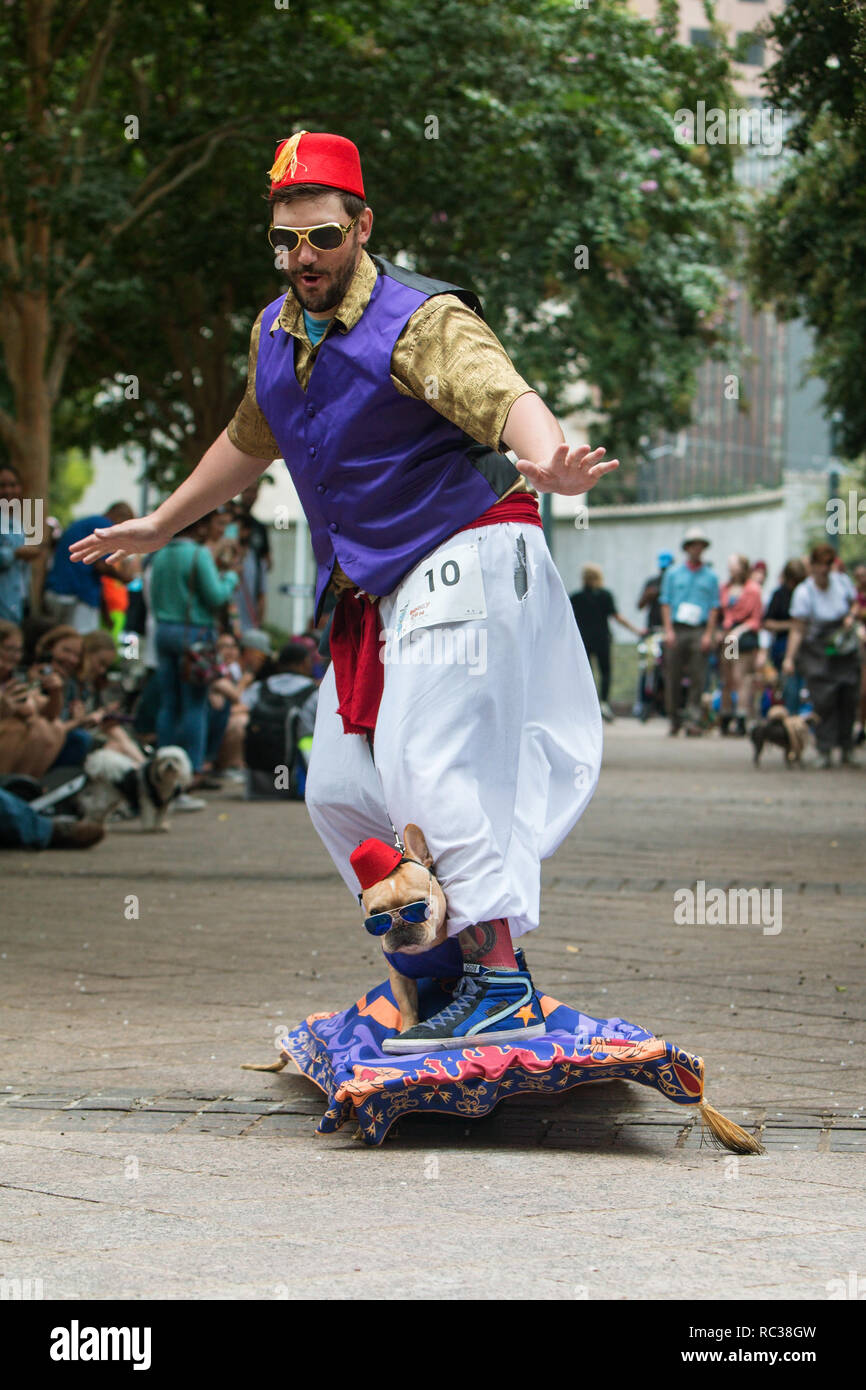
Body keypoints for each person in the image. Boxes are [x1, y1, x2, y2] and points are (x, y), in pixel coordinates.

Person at [69, 128, 619, 1050]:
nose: (301, 258)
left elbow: (503, 393)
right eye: (284, 241)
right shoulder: (275, 331)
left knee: (430, 766)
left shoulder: (419, 317)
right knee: (338, 786)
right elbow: (253, 437)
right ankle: (432, 962)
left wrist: (547, 455)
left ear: (362, 225)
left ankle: (498, 979)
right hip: (373, 585)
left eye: (321, 237)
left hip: (466, 546)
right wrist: (161, 523)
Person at [149, 517, 239, 787]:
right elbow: (216, 596)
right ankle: (192, 772)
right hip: (195, 636)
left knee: (168, 704)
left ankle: (162, 771)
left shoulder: (159, 555)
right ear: (200, 527)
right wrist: (231, 577)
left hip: (163, 632)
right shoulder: (198, 554)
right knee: (194, 705)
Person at [783, 543, 861, 767]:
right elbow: (797, 628)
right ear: (813, 566)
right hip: (817, 651)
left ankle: (846, 749)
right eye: (821, 564)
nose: (825, 569)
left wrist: (850, 616)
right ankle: (824, 750)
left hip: (844, 648)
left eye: (829, 564)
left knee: (848, 697)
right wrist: (789, 658)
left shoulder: (842, 582)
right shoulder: (804, 592)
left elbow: (854, 604)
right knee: (824, 701)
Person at [660, 526, 720, 736]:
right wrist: (668, 630)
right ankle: (674, 717)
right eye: (693, 545)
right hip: (677, 628)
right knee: (672, 675)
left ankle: (693, 719)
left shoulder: (711, 576)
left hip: (698, 629)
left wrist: (708, 634)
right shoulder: (673, 574)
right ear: (687, 548)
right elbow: (665, 602)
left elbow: (714, 606)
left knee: (698, 676)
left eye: (700, 545)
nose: (696, 549)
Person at [569, 563, 644, 722]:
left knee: (584, 674)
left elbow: (567, 620)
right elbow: (617, 617)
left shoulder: (576, 597)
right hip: (602, 639)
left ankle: (586, 704)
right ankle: (603, 703)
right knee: (605, 672)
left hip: (583, 641)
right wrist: (636, 630)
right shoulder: (605, 595)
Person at [44, 504, 135, 632]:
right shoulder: (105, 526)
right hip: (76, 594)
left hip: (58, 590)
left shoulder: (87, 522)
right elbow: (101, 566)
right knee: (81, 642)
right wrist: (123, 578)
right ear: (121, 519)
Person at [718, 553, 763, 736]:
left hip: (744, 636)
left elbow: (756, 618)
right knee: (728, 677)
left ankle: (742, 715)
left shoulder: (753, 589)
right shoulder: (726, 588)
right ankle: (726, 714)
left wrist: (739, 630)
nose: (730, 567)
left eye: (734, 564)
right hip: (729, 637)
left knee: (741, 677)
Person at [0, 462, 47, 622]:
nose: (8, 491)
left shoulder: (18, 522)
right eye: (2, 485)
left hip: (19, 603)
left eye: (13, 485)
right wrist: (15, 553)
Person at [763, 558, 807, 714]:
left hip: (807, 646)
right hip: (782, 646)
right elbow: (767, 623)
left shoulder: (806, 593)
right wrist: (791, 625)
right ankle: (791, 720)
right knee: (790, 688)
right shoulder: (779, 595)